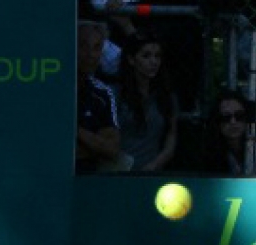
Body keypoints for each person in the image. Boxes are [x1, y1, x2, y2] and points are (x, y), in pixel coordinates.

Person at [114, 31, 179, 171]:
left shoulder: (167, 97)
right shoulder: (115, 94)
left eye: (157, 56)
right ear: (131, 59)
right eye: (146, 56)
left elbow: (171, 137)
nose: (154, 61)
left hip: (152, 174)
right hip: (117, 173)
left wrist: (154, 165)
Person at [76, 20, 122, 172]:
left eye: (96, 48)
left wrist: (73, 130)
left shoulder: (102, 94)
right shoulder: (52, 88)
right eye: (83, 46)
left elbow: (111, 149)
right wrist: (93, 141)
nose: (90, 54)